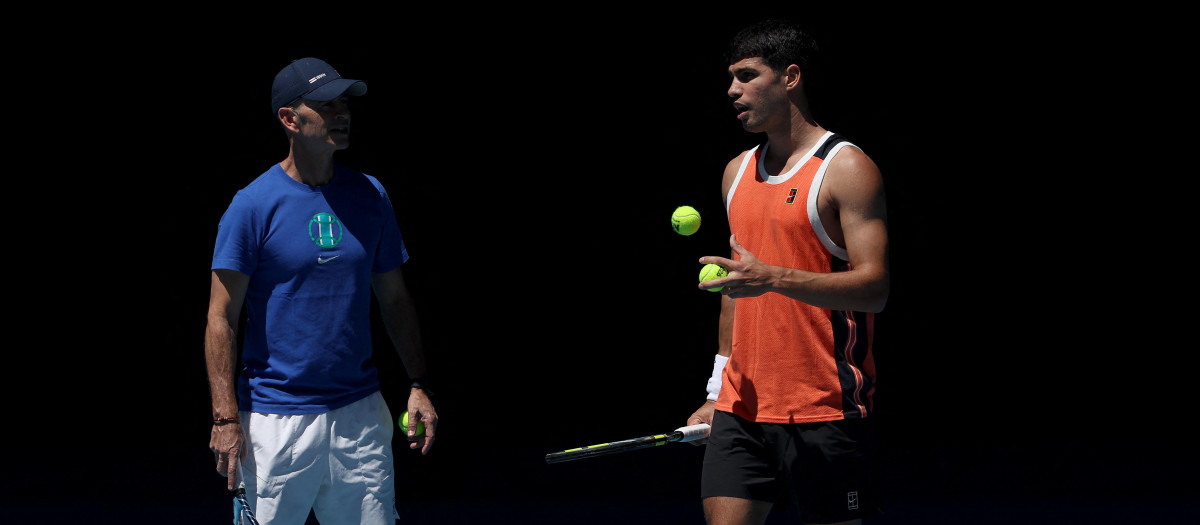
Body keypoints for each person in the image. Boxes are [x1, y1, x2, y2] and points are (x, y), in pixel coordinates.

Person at [205, 57, 438, 524]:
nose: (342, 114)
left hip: (359, 414)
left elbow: (393, 298)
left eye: (344, 104)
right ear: (289, 119)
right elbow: (220, 318)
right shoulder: (251, 206)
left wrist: (418, 384)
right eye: (326, 105)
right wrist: (225, 419)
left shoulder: (371, 195)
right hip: (275, 421)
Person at [687, 18, 890, 525]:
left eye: (746, 75)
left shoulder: (845, 168)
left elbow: (874, 289)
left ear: (790, 77)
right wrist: (716, 393)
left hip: (824, 409)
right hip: (742, 408)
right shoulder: (736, 172)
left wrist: (774, 278)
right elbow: (735, 290)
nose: (731, 90)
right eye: (730, 78)